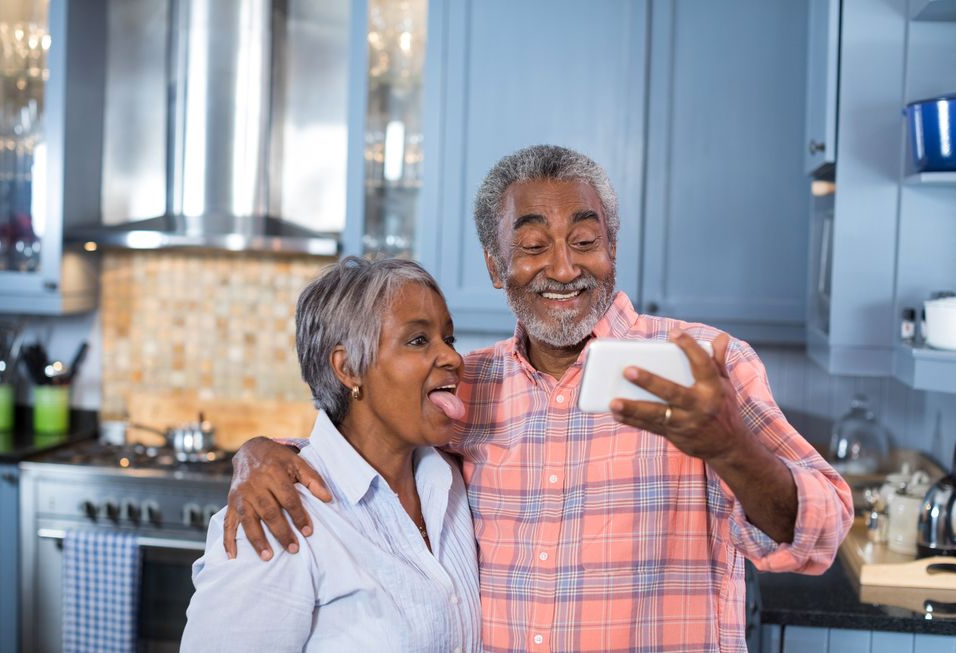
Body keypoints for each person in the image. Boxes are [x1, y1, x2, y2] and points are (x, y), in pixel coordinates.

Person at [223, 145, 853, 652]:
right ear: (496, 266)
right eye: (532, 247)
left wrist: (730, 447)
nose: (563, 268)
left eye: (585, 241)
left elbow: (821, 532)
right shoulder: (466, 386)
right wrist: (261, 453)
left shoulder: (705, 366)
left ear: (611, 250)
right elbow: (365, 444)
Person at [180, 257, 481, 652]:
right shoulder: (276, 517)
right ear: (348, 367)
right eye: (418, 340)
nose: (453, 358)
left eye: (449, 339)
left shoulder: (451, 478)